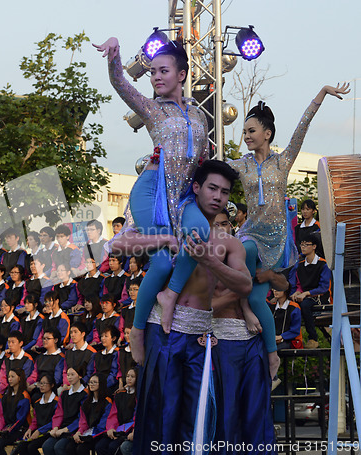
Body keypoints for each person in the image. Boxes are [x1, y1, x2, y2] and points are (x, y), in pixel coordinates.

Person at [95, 36, 211, 356]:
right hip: (153, 194)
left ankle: (170, 296)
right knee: (160, 266)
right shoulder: (152, 109)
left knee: (201, 235)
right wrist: (114, 55)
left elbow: (203, 163)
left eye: (163, 71)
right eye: (153, 73)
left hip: (185, 196)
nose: (156, 77)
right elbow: (120, 84)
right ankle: (137, 330)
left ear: (182, 75)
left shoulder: (199, 115)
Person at [229, 84, 349, 375]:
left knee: (261, 296)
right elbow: (212, 169)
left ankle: (272, 356)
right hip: (250, 234)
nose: (246, 137)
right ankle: (244, 311)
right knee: (242, 248)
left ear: (267, 133)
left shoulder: (283, 162)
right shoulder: (240, 165)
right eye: (244, 132)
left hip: (276, 239)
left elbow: (302, 127)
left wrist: (321, 93)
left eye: (251, 131)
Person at [133, 160, 252, 450]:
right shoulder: (169, 225)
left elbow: (245, 285)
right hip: (164, 329)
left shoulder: (229, 244)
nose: (217, 197)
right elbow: (120, 244)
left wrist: (210, 260)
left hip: (201, 336)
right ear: (196, 188)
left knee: (198, 420)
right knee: (161, 417)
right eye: (212, 188)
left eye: (224, 192)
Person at [210, 209, 281, 454]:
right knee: (228, 411)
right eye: (216, 225)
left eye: (226, 224)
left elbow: (257, 285)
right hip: (223, 341)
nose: (222, 229)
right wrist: (241, 300)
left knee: (257, 410)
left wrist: (247, 305)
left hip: (253, 342)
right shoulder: (204, 261)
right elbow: (204, 305)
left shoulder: (243, 252)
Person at [288, 233, 332, 348]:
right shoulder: (300, 265)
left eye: (306, 244)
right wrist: (297, 292)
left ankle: (313, 338)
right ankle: (292, 338)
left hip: (319, 297)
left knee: (305, 304)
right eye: (301, 244)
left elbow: (324, 287)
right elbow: (298, 283)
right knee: (290, 304)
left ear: (314, 246)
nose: (303, 247)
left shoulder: (323, 264)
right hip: (304, 295)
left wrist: (306, 294)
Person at [0, 368, 31, 455]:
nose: (10, 379)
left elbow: (20, 419)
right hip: (5, 429)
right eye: (9, 377)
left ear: (19, 378)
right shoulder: (6, 396)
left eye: (12, 376)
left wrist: (6, 431)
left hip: (18, 430)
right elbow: (1, 416)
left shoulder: (24, 396)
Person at [42, 366, 88, 455]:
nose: (69, 377)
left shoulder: (85, 394)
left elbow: (82, 417)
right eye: (68, 375)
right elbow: (59, 413)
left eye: (72, 374)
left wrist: (66, 429)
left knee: (59, 447)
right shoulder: (64, 393)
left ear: (80, 376)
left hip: (74, 429)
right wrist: (55, 427)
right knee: (46, 446)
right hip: (61, 428)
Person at [65, 374, 112, 455]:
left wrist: (88, 435)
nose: (91, 384)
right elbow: (83, 422)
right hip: (87, 434)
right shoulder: (86, 403)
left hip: (100, 434)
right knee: (69, 447)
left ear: (101, 384)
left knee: (82, 449)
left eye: (94, 382)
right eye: (90, 382)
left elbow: (103, 423)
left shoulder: (107, 401)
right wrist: (79, 432)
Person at [13, 374, 59, 455]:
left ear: (52, 385)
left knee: (32, 447)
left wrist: (39, 431)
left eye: (44, 383)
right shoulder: (37, 402)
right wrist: (30, 429)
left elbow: (55, 421)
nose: (41, 386)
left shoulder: (57, 401)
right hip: (38, 431)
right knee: (21, 446)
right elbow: (35, 420)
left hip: (49, 432)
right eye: (40, 383)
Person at [95, 367, 137, 455]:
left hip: (129, 431)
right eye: (127, 376)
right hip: (117, 429)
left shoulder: (138, 396)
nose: (129, 378)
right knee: (100, 446)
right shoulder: (119, 395)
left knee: (113, 447)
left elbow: (137, 416)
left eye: (132, 376)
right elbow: (113, 415)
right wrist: (111, 428)